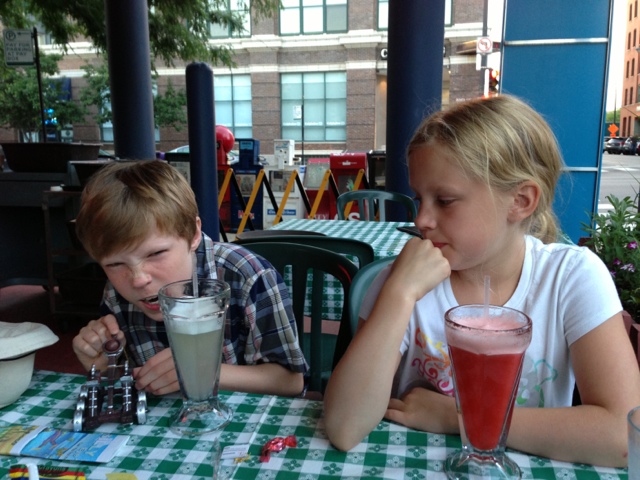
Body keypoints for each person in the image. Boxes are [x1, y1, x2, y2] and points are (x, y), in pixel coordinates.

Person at [323, 95, 640, 468]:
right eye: (419, 198)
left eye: (445, 200)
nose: (421, 219)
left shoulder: (570, 279)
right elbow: (344, 426)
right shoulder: (403, 284)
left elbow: (623, 436)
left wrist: (458, 416)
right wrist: (399, 293)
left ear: (520, 201)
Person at [72, 160, 307, 397]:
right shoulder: (115, 292)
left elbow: (291, 381)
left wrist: (202, 371)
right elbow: (125, 383)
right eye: (115, 264)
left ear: (193, 234)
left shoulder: (247, 276)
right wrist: (103, 366)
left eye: (155, 253)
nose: (138, 279)